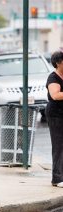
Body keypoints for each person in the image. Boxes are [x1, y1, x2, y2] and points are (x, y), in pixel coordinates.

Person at [46, 50, 63, 188]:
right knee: (58, 145)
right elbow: (55, 95)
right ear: (58, 63)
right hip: (56, 114)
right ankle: (57, 178)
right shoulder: (53, 78)